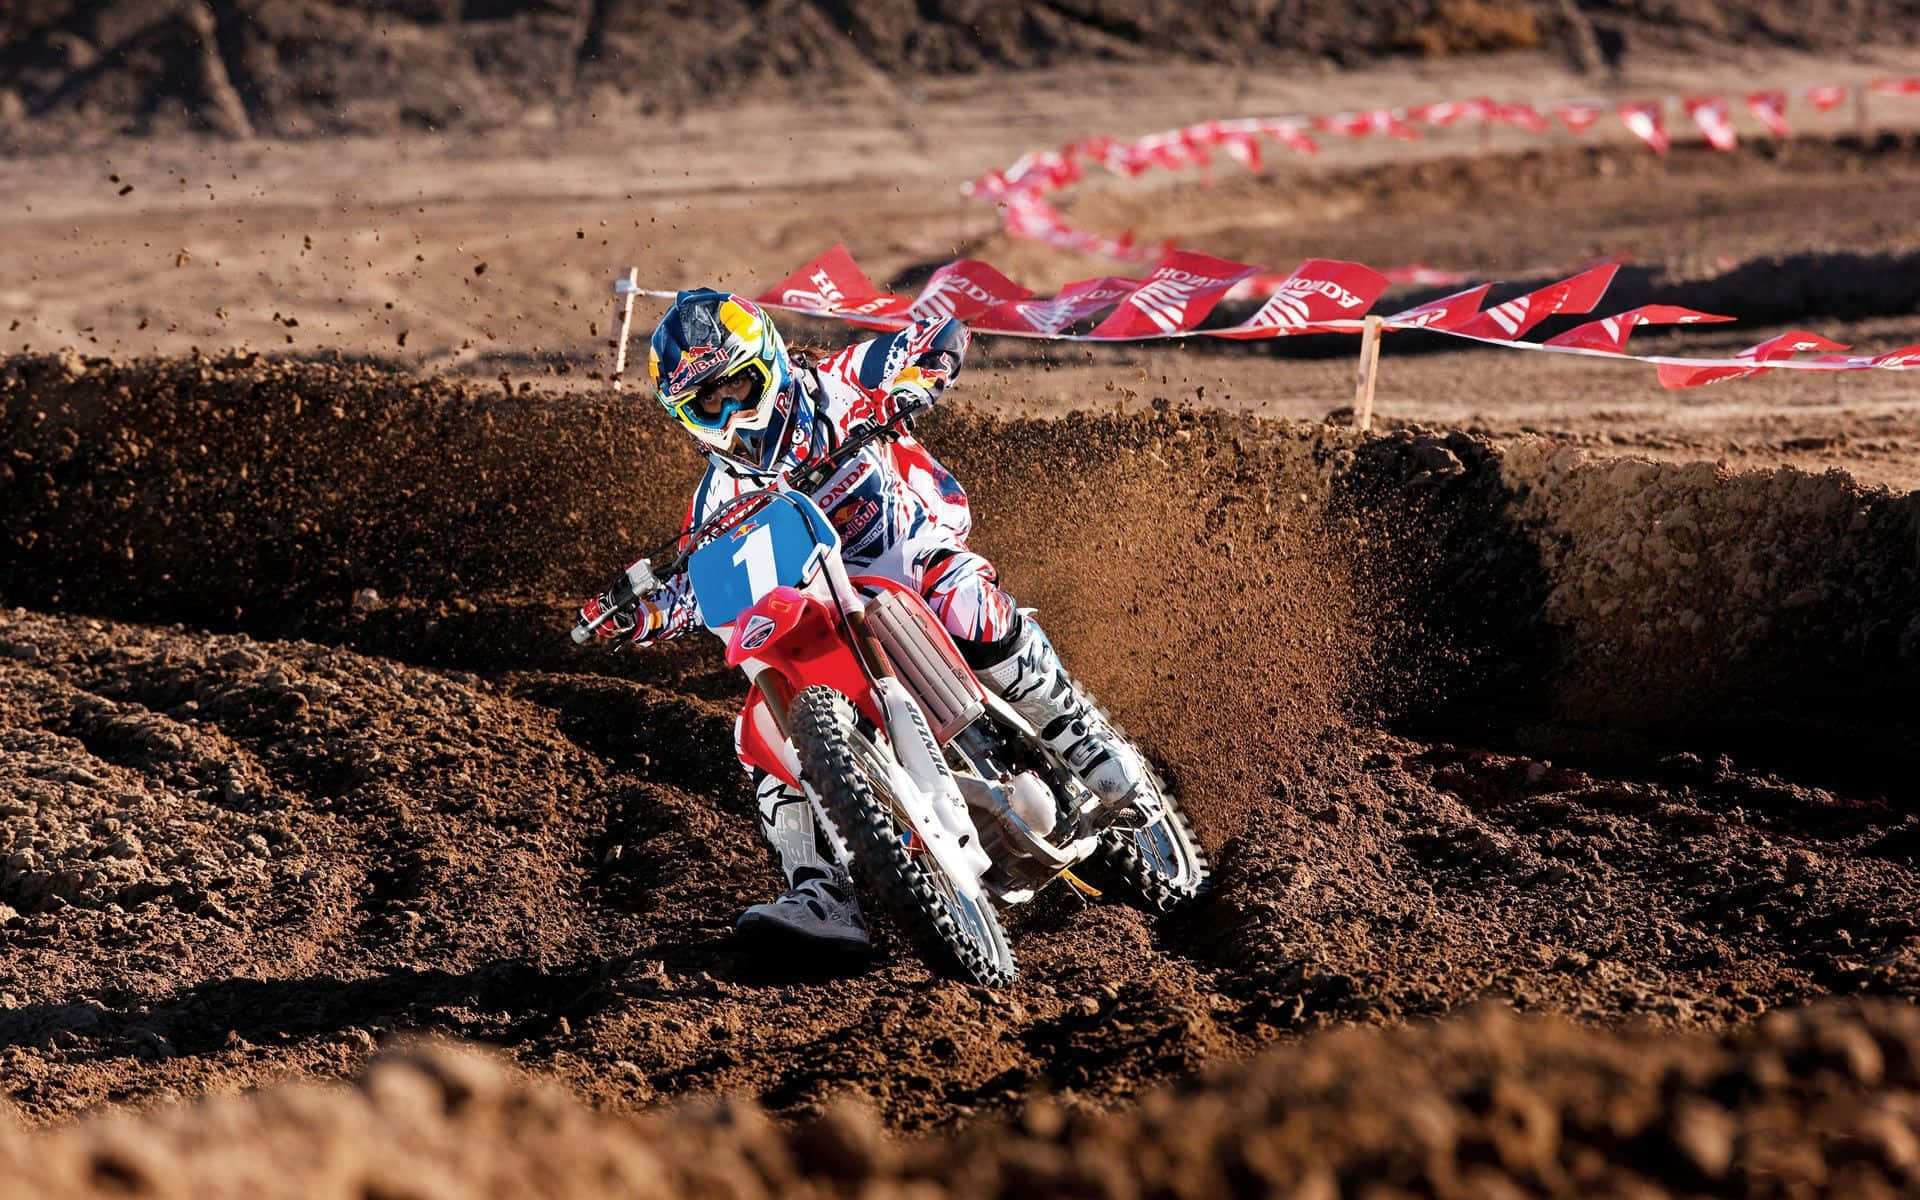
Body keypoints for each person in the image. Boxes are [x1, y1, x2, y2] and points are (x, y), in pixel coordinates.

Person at [579, 289, 1148, 948]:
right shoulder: (716, 500)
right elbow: (695, 588)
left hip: (903, 555)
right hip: (821, 610)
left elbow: (937, 336)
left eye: (737, 383)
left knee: (964, 601)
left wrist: (916, 384)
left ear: (765, 363)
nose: (729, 408)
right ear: (687, 412)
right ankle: (820, 890)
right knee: (761, 731)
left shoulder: (833, 383)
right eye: (708, 400)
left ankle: (1084, 740)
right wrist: (639, 614)